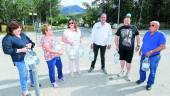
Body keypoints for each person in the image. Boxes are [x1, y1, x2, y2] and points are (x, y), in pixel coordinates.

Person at [2, 21, 35, 96]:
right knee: (23, 75)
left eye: (20, 27)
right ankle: (25, 91)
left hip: (29, 57)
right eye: (17, 28)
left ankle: (33, 82)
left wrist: (30, 45)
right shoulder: (7, 38)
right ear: (11, 30)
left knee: (32, 71)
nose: (19, 29)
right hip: (19, 59)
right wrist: (20, 50)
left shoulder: (22, 34)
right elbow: (6, 50)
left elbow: (31, 42)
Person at [136, 21, 166, 90]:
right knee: (142, 68)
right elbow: (144, 43)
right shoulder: (147, 33)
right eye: (150, 25)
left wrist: (152, 51)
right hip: (144, 55)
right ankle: (142, 79)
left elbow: (163, 47)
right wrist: (141, 50)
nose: (150, 26)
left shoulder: (161, 35)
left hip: (154, 56)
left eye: (152, 25)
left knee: (152, 71)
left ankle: (149, 84)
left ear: (157, 27)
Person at [115, 17, 140, 81]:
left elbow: (138, 36)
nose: (126, 22)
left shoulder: (134, 28)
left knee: (129, 61)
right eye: (125, 20)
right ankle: (122, 70)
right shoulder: (120, 28)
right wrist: (117, 46)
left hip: (130, 49)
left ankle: (128, 73)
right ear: (123, 21)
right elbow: (116, 37)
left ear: (130, 21)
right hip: (121, 48)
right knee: (122, 60)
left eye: (128, 21)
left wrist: (138, 45)